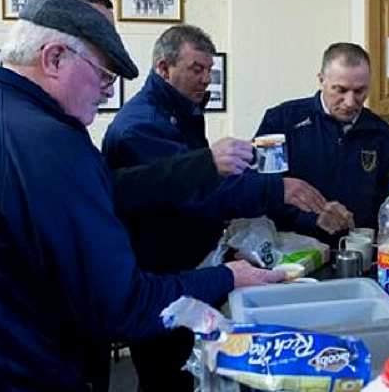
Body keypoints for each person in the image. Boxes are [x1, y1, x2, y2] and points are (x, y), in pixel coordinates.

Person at [0, 0, 285, 391]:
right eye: (103, 74)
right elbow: (122, 305)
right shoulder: (50, 143)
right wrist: (227, 276)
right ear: (54, 58)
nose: (107, 91)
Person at [101, 24, 334, 391]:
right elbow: (199, 192)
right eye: (196, 69)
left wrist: (224, 242)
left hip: (190, 265)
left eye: (209, 70)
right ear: (163, 68)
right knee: (167, 375)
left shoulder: (180, 111)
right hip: (161, 276)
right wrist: (275, 189)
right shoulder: (142, 127)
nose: (205, 79)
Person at [256, 42, 389, 242]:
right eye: (340, 90)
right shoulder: (281, 121)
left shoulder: (382, 134)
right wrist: (311, 218)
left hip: (359, 249)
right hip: (292, 250)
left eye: (359, 91)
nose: (350, 102)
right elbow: (261, 189)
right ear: (321, 80)